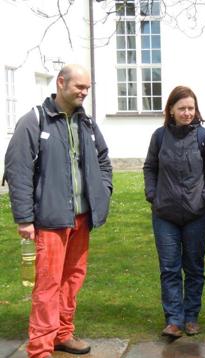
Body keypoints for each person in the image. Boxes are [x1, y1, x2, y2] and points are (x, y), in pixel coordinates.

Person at [4, 64, 113, 358]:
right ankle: (40, 348)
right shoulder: (34, 121)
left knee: (72, 280)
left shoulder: (86, 123)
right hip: (49, 220)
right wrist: (24, 218)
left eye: (87, 88)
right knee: (48, 285)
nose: (84, 92)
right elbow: (18, 170)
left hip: (81, 217)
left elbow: (103, 160)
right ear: (61, 83)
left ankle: (63, 333)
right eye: (79, 87)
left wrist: (103, 192)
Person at [143, 85, 205, 338]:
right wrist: (153, 195)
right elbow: (149, 168)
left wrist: (204, 199)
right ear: (171, 110)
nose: (187, 113)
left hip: (196, 216)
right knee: (169, 269)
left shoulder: (204, 138)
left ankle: (191, 317)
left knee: (194, 268)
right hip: (164, 215)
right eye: (182, 108)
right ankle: (174, 320)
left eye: (191, 108)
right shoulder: (159, 137)